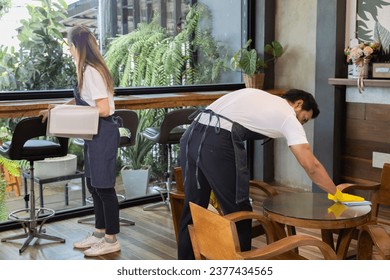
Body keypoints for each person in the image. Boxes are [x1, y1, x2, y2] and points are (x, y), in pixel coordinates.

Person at [177, 88, 364, 260]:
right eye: (304, 119)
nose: (301, 124)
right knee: (240, 212)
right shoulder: (287, 115)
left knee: (193, 208)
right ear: (298, 104)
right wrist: (335, 192)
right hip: (218, 142)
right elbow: (311, 165)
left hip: (190, 136)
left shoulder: (261, 97)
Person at [40, 25, 120, 257]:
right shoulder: (86, 69)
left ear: (75, 46)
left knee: (104, 187)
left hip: (103, 132)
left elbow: (103, 109)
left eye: (69, 45)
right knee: (94, 185)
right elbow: (84, 101)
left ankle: (111, 239)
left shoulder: (91, 71)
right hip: (93, 133)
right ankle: (99, 233)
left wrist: (72, 116)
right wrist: (59, 109)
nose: (69, 50)